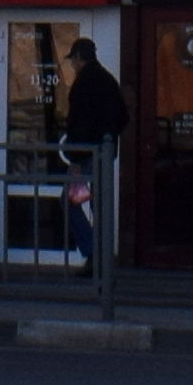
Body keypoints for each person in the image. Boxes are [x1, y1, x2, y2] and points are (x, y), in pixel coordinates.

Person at [55, 37, 129, 259]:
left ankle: (94, 253)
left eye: (73, 60)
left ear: (79, 57)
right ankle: (101, 256)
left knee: (69, 201)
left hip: (85, 156)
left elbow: (79, 124)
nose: (72, 65)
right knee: (99, 205)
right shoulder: (108, 80)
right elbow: (123, 117)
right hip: (103, 155)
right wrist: (108, 138)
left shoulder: (84, 83)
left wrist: (75, 159)